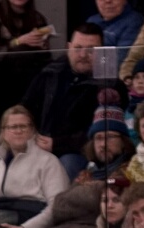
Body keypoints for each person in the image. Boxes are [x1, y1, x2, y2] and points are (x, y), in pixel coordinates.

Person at [23, 23, 117, 179]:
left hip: (78, 153)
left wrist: (56, 144)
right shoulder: (50, 73)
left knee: (66, 165)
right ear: (68, 48)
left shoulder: (110, 86)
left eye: (91, 50)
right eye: (78, 48)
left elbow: (102, 134)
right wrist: (30, 136)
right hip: (38, 144)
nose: (83, 55)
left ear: (102, 52)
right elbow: (25, 109)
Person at [0, 0, 53, 116]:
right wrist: (17, 42)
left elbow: (47, 59)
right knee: (20, 54)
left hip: (29, 81)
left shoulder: (38, 19)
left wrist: (42, 46)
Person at [75, 103, 138, 183]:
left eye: (110, 137)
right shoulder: (85, 176)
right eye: (98, 138)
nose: (103, 144)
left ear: (123, 141)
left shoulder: (134, 173)